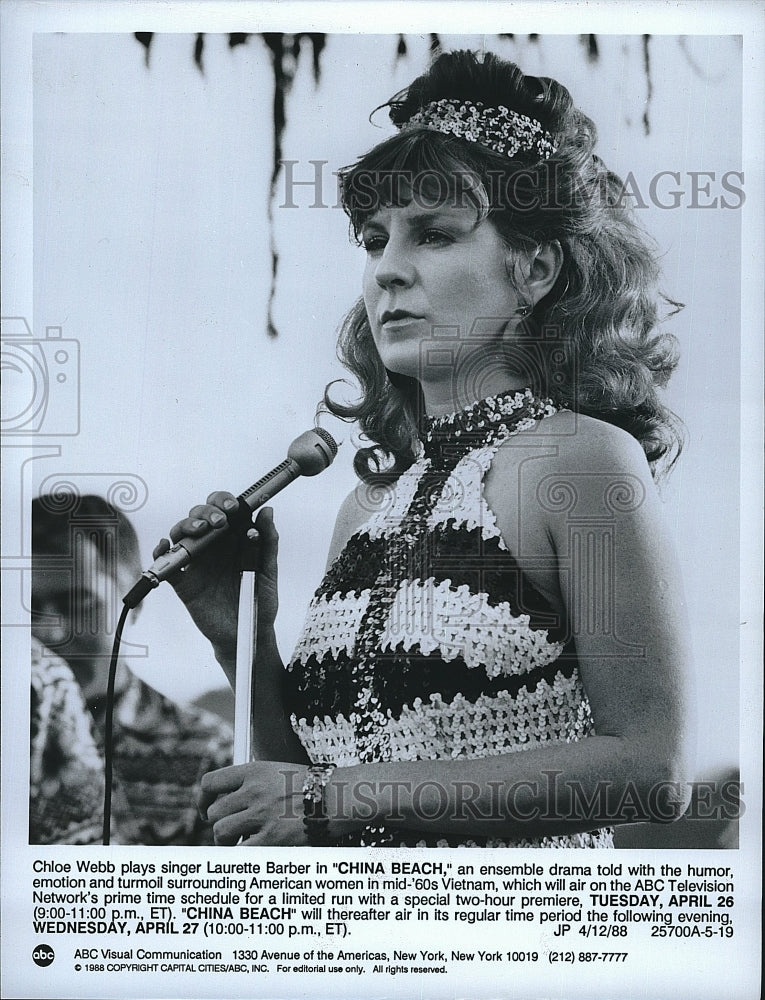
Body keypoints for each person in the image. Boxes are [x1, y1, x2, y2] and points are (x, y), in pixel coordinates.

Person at [156, 50, 695, 847]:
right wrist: (237, 634)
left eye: (434, 235)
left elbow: (650, 770)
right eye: (374, 241)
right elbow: (311, 788)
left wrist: (334, 800)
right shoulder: (364, 506)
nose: (388, 272)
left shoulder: (581, 462)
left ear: (534, 269)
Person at [30, 493, 233, 845]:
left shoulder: (209, 754)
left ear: (134, 600)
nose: (48, 632)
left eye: (78, 604)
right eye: (27, 608)